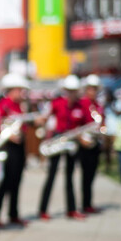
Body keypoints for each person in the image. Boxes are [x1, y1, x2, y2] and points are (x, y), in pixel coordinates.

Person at [38, 75, 87, 221]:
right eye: (69, 90)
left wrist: (81, 135)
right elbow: (46, 117)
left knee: (70, 176)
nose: (71, 93)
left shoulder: (80, 106)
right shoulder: (57, 103)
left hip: (72, 140)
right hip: (58, 139)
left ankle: (71, 209)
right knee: (51, 175)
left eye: (74, 90)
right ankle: (43, 210)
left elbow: (84, 124)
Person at [0, 73, 31, 228]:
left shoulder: (19, 106)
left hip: (19, 147)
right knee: (7, 181)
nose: (22, 93)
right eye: (20, 90)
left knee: (17, 181)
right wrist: (8, 135)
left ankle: (13, 213)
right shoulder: (2, 105)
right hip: (8, 147)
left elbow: (23, 126)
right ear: (12, 90)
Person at [78, 74, 105, 214]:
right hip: (84, 143)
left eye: (95, 89)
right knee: (85, 175)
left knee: (92, 174)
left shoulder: (98, 106)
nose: (93, 91)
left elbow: (102, 122)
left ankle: (89, 203)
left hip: (95, 142)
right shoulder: (82, 103)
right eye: (91, 88)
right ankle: (84, 204)